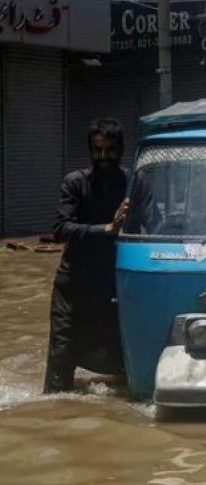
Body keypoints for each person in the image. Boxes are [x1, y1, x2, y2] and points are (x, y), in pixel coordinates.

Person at [44, 118, 131, 393]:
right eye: (97, 151)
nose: (103, 157)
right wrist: (107, 228)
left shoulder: (132, 184)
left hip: (112, 285)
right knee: (61, 355)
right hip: (74, 285)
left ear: (121, 150)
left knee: (123, 360)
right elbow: (61, 228)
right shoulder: (75, 183)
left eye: (109, 151)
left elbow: (154, 223)